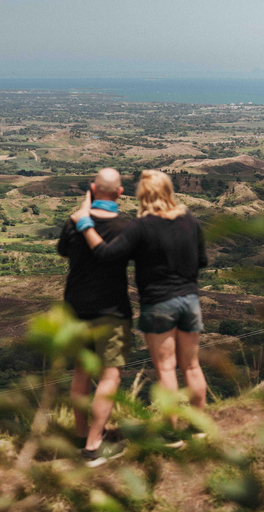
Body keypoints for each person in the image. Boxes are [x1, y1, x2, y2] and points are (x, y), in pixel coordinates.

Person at [71, 170, 208, 447]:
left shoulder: (141, 227)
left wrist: (85, 224)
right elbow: (202, 260)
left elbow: (106, 254)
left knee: (167, 370)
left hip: (159, 302)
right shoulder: (190, 222)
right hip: (190, 299)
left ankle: (171, 434)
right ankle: (198, 428)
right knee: (192, 366)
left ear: (141, 195)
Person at [57, 167, 132, 467]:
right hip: (111, 309)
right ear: (120, 193)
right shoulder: (126, 227)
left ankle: (79, 434)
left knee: (81, 372)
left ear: (92, 188)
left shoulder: (74, 222)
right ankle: (93, 445)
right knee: (110, 374)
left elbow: (64, 251)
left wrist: (81, 215)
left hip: (76, 306)